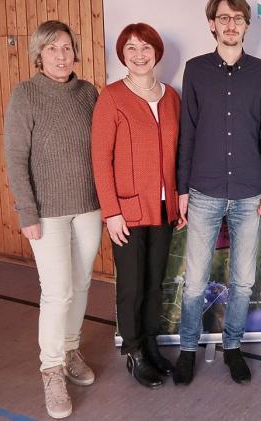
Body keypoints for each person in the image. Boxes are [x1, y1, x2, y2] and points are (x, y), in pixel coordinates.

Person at [173, 0, 261, 386]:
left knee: (242, 280)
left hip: (251, 192)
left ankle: (232, 347)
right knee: (196, 279)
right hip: (202, 190)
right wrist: (182, 188)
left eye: (238, 18)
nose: (231, 24)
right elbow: (188, 133)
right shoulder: (196, 70)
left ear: (247, 25)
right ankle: (187, 349)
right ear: (212, 24)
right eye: (224, 18)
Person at [4, 20, 101, 419]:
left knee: (80, 285)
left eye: (66, 47)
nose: (61, 56)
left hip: (89, 206)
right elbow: (15, 158)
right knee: (57, 291)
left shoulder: (88, 92)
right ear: (38, 55)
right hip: (47, 212)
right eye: (51, 49)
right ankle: (52, 369)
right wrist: (27, 211)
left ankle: (71, 347)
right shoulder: (25, 94)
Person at [91, 23, 180, 389]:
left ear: (156, 52)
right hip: (126, 211)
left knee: (155, 283)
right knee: (132, 285)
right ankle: (133, 351)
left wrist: (179, 199)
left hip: (164, 208)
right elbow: (100, 158)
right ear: (122, 54)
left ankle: (151, 344)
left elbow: (179, 153)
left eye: (146, 47)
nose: (139, 54)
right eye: (131, 48)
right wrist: (111, 211)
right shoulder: (111, 97)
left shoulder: (171, 96)